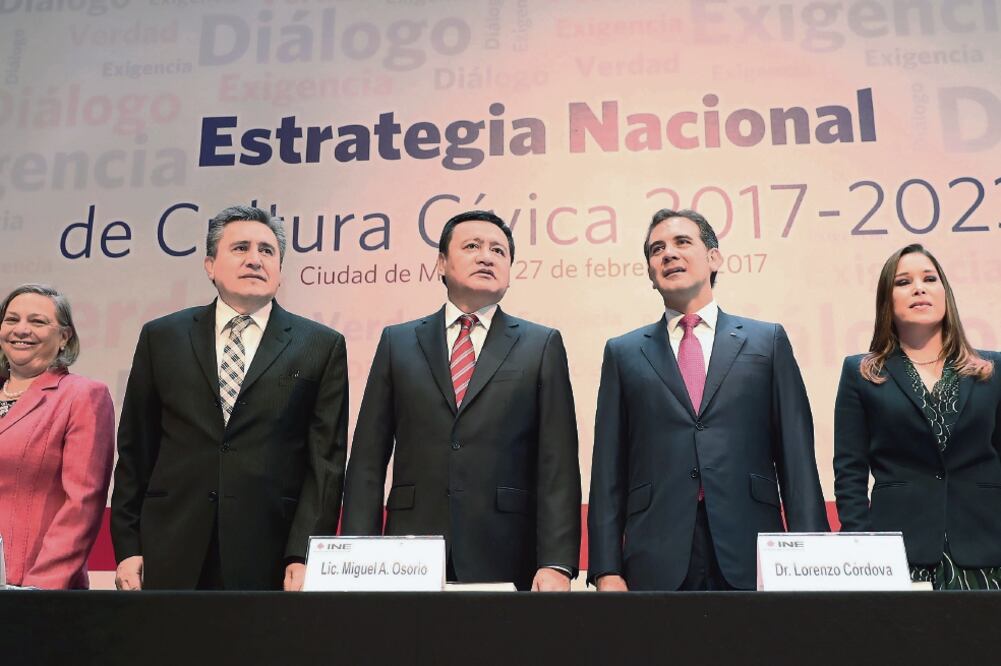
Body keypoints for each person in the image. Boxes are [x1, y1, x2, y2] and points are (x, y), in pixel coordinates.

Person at [588, 209, 828, 591]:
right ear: (651, 274)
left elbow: (796, 457)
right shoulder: (623, 352)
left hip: (753, 548)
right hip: (656, 553)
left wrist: (814, 558)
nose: (668, 254)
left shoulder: (767, 341)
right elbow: (608, 469)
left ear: (714, 258)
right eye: (656, 249)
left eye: (683, 242)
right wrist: (605, 568)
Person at [111, 205, 349, 591]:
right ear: (210, 265)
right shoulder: (162, 337)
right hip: (169, 543)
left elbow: (325, 463)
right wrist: (127, 544)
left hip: (269, 551)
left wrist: (304, 553)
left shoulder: (320, 345)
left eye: (267, 251)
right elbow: (136, 447)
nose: (255, 259)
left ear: (280, 270)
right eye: (240, 248)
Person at [341, 210, 581, 591]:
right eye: (472, 246)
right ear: (441, 263)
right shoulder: (397, 343)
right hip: (408, 552)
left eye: (499, 251)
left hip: (506, 549)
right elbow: (369, 458)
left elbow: (558, 463)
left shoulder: (541, 345)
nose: (486, 256)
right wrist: (355, 552)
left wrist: (556, 563)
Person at [834, 244, 1001, 589]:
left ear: (945, 294)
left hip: (987, 547)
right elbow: (849, 472)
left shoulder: (992, 370)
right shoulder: (861, 372)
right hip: (899, 553)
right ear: (887, 301)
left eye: (929, 278)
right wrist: (860, 547)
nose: (919, 288)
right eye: (903, 282)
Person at [0, 283, 114, 589]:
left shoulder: (83, 395)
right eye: (11, 320)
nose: (21, 330)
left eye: (37, 322)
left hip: (29, 588)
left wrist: (40, 588)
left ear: (64, 337)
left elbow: (83, 503)